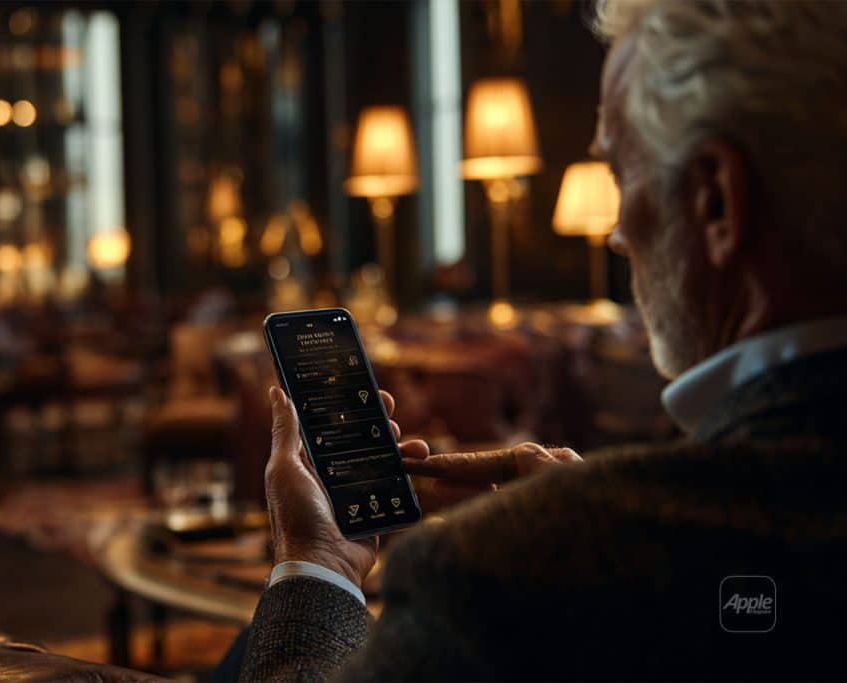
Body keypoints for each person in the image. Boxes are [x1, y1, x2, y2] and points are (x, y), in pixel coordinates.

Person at [238, 1, 847, 680]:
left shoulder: (510, 567)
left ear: (715, 202)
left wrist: (315, 561)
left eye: (622, 175)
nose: (616, 234)